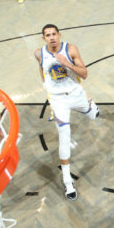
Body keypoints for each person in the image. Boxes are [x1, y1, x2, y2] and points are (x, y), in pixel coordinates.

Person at [35, 24, 99, 201]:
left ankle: (90, 106)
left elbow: (84, 74)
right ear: (43, 38)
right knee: (64, 136)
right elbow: (43, 71)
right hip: (58, 100)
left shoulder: (70, 49)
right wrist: (47, 87)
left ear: (59, 35)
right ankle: (67, 182)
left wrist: (65, 63)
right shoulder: (39, 53)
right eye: (48, 35)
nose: (52, 37)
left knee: (91, 114)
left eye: (54, 34)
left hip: (76, 95)